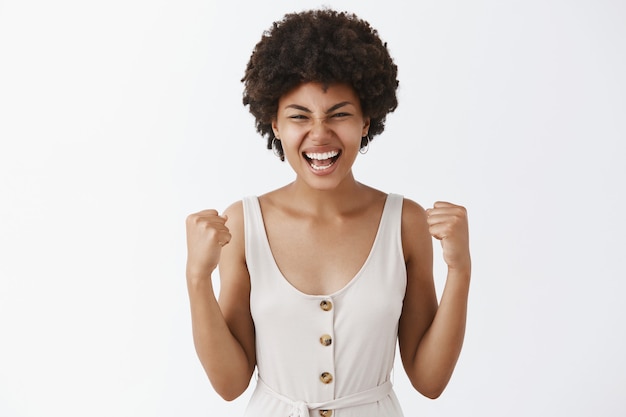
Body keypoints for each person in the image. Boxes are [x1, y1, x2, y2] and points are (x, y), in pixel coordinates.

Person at [185, 8, 471, 417]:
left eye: (339, 114)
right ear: (275, 124)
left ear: (367, 120)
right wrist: (197, 278)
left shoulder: (405, 223)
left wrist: (460, 270)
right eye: (299, 116)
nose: (319, 134)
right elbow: (230, 385)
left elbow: (429, 381)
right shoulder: (244, 225)